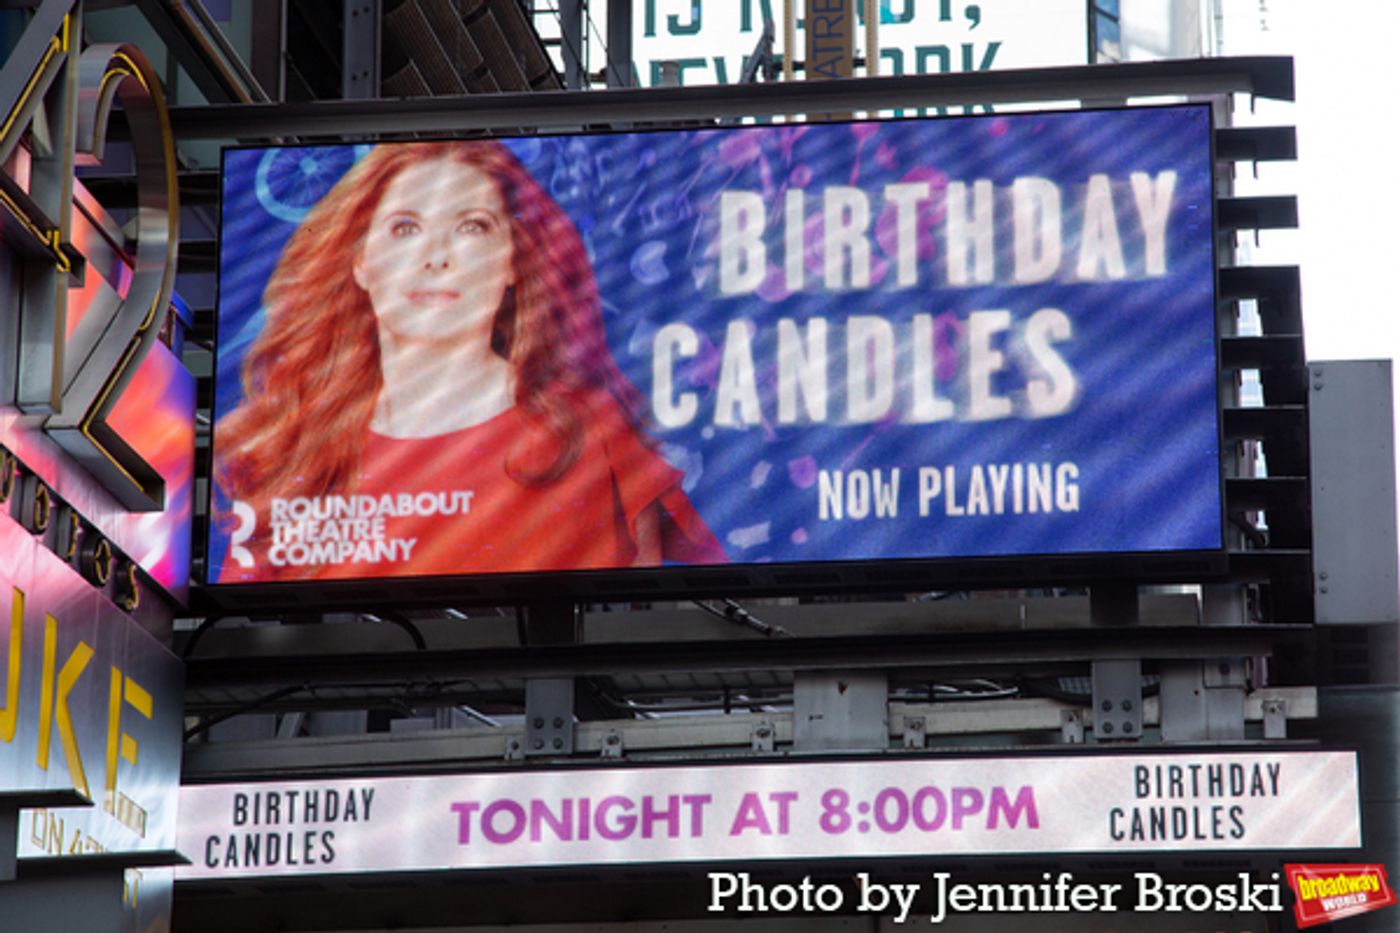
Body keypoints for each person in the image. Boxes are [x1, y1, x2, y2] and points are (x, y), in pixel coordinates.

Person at [215, 140, 726, 581]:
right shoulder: (296, 446)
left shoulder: (589, 433)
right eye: (405, 228)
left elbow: (631, 632)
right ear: (361, 262)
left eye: (472, 227)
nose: (437, 256)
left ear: (510, 260)